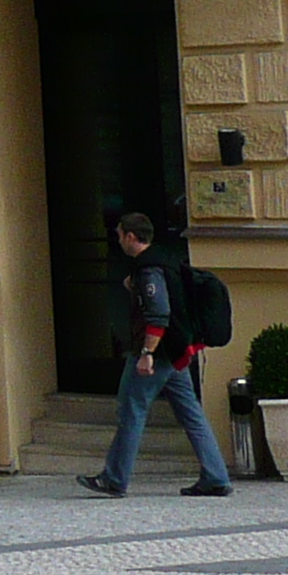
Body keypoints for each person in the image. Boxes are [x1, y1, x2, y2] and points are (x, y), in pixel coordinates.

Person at [81, 213, 234, 498]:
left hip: (159, 352)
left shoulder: (150, 269)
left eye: (119, 235)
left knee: (131, 408)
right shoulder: (163, 260)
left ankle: (114, 478)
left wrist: (146, 354)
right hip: (177, 349)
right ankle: (216, 476)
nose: (118, 241)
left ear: (130, 236)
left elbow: (159, 314)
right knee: (190, 412)